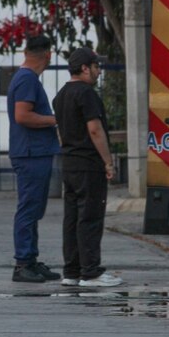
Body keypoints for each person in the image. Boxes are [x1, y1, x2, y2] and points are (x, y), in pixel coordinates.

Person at [53, 47, 123, 287]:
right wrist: (108, 161)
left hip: (70, 162)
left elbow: (60, 132)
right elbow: (95, 129)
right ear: (85, 68)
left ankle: (71, 271)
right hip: (88, 164)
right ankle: (91, 271)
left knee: (71, 218)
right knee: (90, 217)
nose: (99, 71)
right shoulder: (86, 94)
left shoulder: (61, 95)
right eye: (96, 66)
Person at [7, 36, 61, 283]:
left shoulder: (26, 78)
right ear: (48, 55)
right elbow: (23, 116)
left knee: (34, 208)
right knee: (29, 209)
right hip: (30, 153)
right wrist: (55, 119)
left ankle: (30, 259)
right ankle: (23, 262)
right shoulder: (27, 79)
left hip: (34, 152)